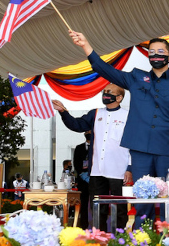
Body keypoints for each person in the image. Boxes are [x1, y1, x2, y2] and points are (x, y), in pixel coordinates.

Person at [70, 32, 169, 227]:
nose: (155, 55)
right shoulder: (136, 77)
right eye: (151, 52)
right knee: (143, 199)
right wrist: (86, 46)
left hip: (168, 149)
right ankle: (141, 242)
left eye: (160, 51)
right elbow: (105, 70)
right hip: (140, 149)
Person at [52, 83, 133, 228]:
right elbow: (76, 125)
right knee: (97, 207)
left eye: (109, 92)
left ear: (119, 97)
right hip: (97, 170)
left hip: (119, 170)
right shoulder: (95, 113)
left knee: (120, 207)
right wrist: (63, 112)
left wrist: (130, 168)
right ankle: (98, 238)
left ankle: (120, 240)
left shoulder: (128, 115)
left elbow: (134, 143)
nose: (106, 94)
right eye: (104, 91)